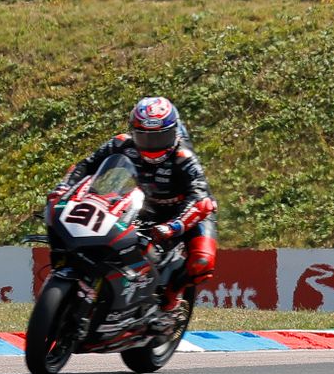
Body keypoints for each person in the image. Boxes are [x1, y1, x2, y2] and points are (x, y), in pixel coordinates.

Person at [50, 98, 216, 333]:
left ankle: (170, 304)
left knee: (202, 261)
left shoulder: (184, 158)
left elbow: (200, 200)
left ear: (174, 132)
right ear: (133, 132)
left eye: (159, 137)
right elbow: (85, 166)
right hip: (145, 206)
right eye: (144, 136)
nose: (151, 144)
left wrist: (173, 227)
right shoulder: (120, 144)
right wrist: (63, 188)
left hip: (189, 213)